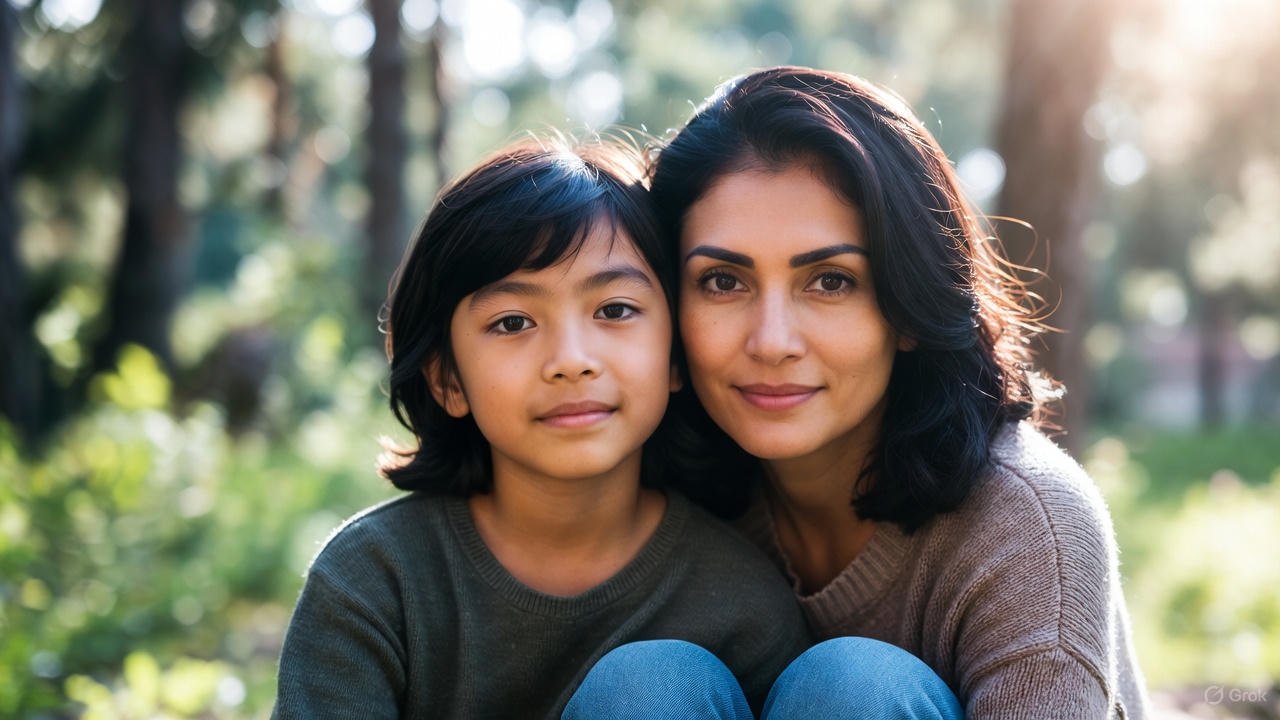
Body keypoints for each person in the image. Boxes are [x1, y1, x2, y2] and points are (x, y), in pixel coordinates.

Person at [638, 66, 1149, 718]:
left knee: (853, 689)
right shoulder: (663, 494)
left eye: (829, 281)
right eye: (722, 282)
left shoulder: (1027, 526)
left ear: (908, 308)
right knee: (645, 684)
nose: (771, 341)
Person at [271, 136, 810, 719]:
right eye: (513, 322)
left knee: (653, 689)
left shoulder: (740, 599)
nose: (570, 359)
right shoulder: (375, 581)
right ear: (448, 379)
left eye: (614, 310)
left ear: (676, 355)